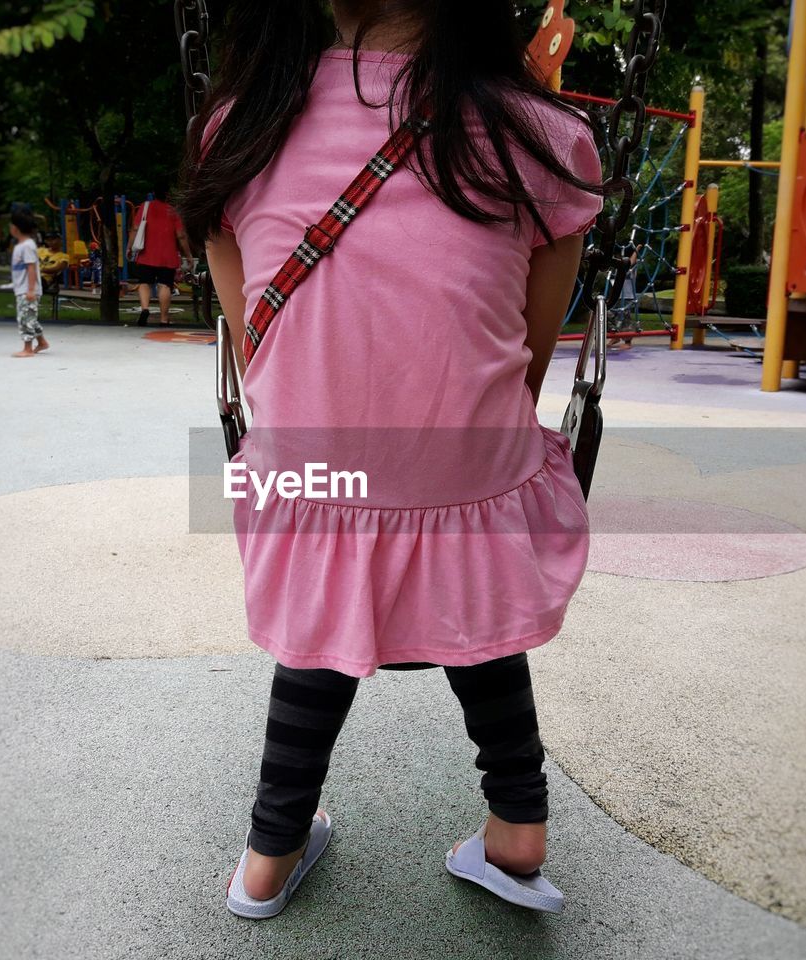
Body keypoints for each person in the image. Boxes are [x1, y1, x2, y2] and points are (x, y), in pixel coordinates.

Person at [181, 0, 601, 920]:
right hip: (471, 484)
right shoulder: (542, 134)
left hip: (316, 482)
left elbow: (255, 351)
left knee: (320, 603)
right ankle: (518, 831)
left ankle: (269, 853)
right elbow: (522, 358)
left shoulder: (238, 131)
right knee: (475, 585)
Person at [126, 181, 193, 326]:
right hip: (167, 256)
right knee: (165, 285)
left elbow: (135, 228)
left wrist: (129, 247)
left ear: (154, 192)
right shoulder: (173, 211)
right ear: (168, 194)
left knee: (144, 283)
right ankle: (163, 319)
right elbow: (181, 235)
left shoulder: (145, 207)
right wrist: (188, 255)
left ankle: (144, 309)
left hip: (146, 254)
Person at [8, 211, 49, 358]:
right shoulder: (22, 246)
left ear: (16, 228)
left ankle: (28, 348)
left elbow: (31, 267)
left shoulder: (27, 246)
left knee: (25, 318)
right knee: (30, 317)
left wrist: (30, 290)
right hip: (22, 288)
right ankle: (42, 342)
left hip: (27, 289)